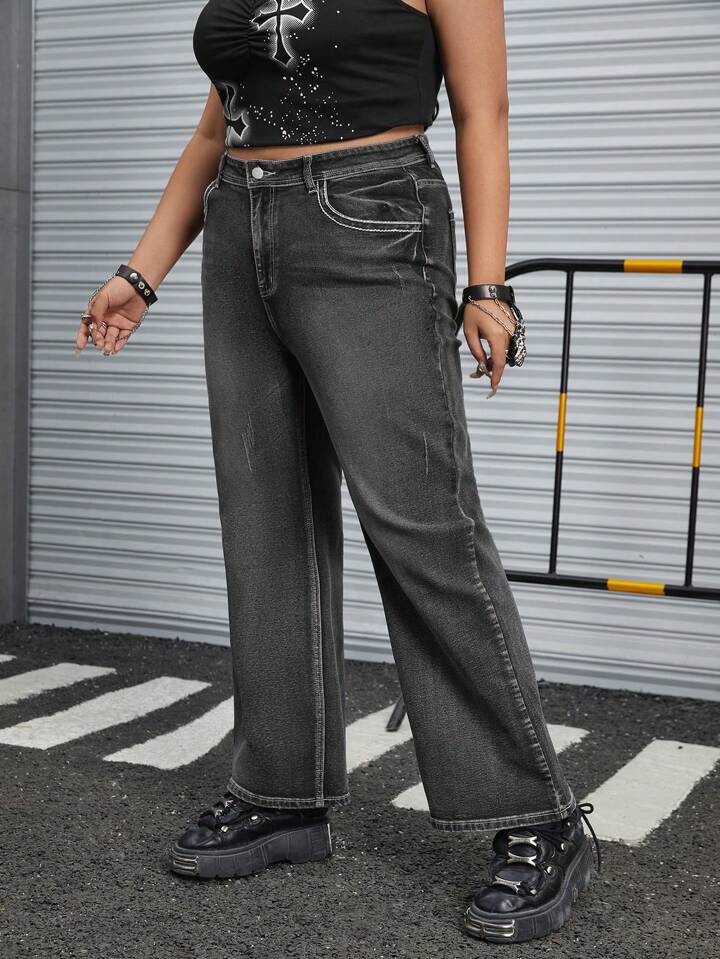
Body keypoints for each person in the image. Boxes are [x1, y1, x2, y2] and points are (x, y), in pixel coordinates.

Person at [75, 0, 601, 944]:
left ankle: (540, 815)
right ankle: (283, 792)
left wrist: (487, 285)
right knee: (265, 517)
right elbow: (217, 128)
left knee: (420, 523)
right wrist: (142, 273)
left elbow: (484, 111)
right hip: (238, 224)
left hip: (371, 215)